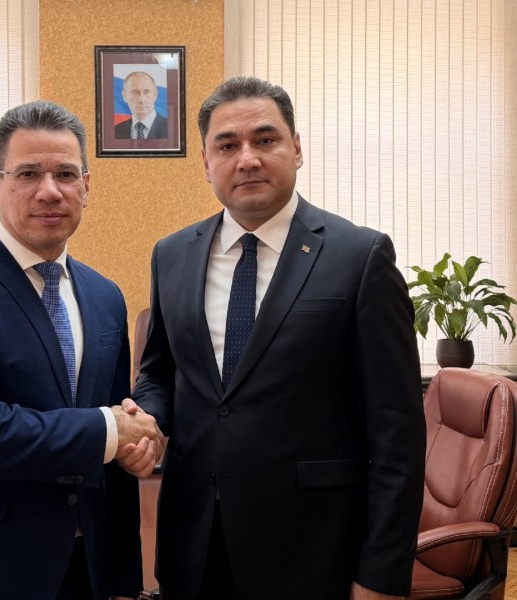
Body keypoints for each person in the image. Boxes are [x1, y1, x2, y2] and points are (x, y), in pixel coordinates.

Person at [126, 76, 426, 599]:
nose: (247, 159)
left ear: (297, 148)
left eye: (265, 139)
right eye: (227, 146)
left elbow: (397, 432)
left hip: (312, 549)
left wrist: (381, 574)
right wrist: (148, 418)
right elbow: (160, 371)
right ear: (205, 163)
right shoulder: (171, 254)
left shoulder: (360, 257)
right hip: (193, 544)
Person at [0, 100, 162, 600]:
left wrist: (122, 576)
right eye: (28, 174)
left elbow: (114, 433)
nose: (49, 190)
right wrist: (112, 431)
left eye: (65, 174)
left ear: (86, 186)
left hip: (87, 565)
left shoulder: (105, 296)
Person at [115, 71, 169, 139]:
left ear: (155, 95)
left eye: (146, 92)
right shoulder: (115, 131)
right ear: (124, 96)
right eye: (135, 93)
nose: (141, 100)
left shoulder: (173, 129)